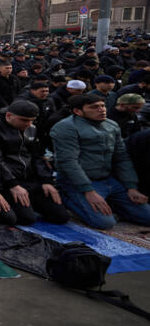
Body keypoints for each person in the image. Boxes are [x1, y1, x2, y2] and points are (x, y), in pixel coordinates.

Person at [50, 93, 149, 229]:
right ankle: (67, 197)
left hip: (108, 180)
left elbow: (121, 157)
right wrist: (88, 191)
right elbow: (68, 162)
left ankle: (113, 205)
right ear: (78, 111)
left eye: (103, 106)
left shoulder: (111, 125)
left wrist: (131, 186)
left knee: (147, 216)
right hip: (78, 183)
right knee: (105, 223)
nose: (101, 109)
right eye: (94, 107)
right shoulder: (66, 128)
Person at [0, 101, 70, 224]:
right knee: (26, 218)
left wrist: (46, 180)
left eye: (31, 120)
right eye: (24, 120)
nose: (28, 124)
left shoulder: (31, 129)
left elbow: (37, 156)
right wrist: (13, 184)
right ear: (9, 116)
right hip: (5, 181)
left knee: (60, 216)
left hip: (29, 179)